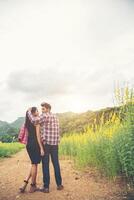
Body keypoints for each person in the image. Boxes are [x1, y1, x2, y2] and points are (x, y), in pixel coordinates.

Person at [28, 102, 63, 193]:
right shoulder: (55, 116)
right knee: (56, 164)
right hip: (55, 144)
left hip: (47, 144)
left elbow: (34, 121)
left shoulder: (45, 116)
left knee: (45, 165)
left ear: (47, 109)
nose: (42, 111)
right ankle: (59, 185)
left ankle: (46, 187)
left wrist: (28, 112)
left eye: (43, 109)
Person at [19, 107, 45, 193]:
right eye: (37, 110)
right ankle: (33, 186)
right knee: (35, 165)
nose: (38, 112)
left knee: (33, 164)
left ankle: (24, 183)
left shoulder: (26, 123)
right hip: (35, 145)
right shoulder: (36, 122)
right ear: (34, 113)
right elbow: (38, 137)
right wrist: (41, 148)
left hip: (28, 145)